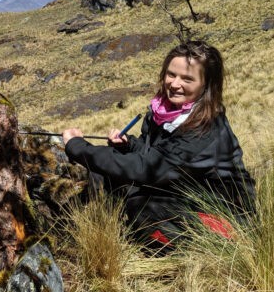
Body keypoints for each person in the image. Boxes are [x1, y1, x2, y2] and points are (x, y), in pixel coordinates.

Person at [62, 40, 255, 251]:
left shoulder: (204, 130)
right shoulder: (164, 112)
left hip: (226, 217)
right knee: (108, 174)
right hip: (183, 193)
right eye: (171, 74)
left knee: (142, 207)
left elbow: (146, 168)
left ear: (206, 85)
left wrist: (77, 146)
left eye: (187, 79)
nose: (174, 84)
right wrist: (128, 145)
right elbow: (156, 154)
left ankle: (200, 251)